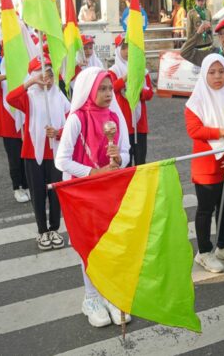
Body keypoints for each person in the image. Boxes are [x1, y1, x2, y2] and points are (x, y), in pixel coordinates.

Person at [54, 67, 131, 328]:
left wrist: (118, 159)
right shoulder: (77, 118)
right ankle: (91, 298)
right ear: (89, 90)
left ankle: (108, 293)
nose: (109, 93)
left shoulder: (115, 117)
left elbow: (126, 152)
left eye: (110, 88)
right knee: (89, 245)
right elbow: (61, 160)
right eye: (102, 88)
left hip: (108, 189)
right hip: (81, 191)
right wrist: (94, 172)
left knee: (108, 243)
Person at [184, 54, 224, 273]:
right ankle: (204, 252)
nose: (217, 76)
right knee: (205, 209)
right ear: (204, 74)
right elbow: (194, 130)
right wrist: (221, 132)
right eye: (212, 72)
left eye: (221, 72)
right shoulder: (196, 100)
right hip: (207, 164)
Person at [7, 57, 70, 250]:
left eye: (50, 76)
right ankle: (42, 231)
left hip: (56, 153)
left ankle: (54, 229)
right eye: (42, 76)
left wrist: (58, 133)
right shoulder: (29, 97)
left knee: (55, 193)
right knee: (38, 192)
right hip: (33, 153)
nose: (47, 80)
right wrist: (32, 82)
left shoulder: (60, 97)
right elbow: (10, 98)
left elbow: (72, 123)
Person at [108, 34, 154, 166]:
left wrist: (138, 92)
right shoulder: (113, 71)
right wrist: (125, 78)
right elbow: (112, 88)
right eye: (124, 47)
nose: (128, 51)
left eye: (130, 47)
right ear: (118, 50)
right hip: (123, 123)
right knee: (124, 162)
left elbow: (150, 93)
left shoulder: (142, 71)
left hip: (139, 123)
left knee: (140, 161)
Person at [0, 59, 30, 203]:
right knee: (14, 160)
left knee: (26, 158)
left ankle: (27, 185)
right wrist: (6, 76)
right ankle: (17, 188)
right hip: (9, 128)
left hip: (26, 126)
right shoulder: (2, 82)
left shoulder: (27, 79)